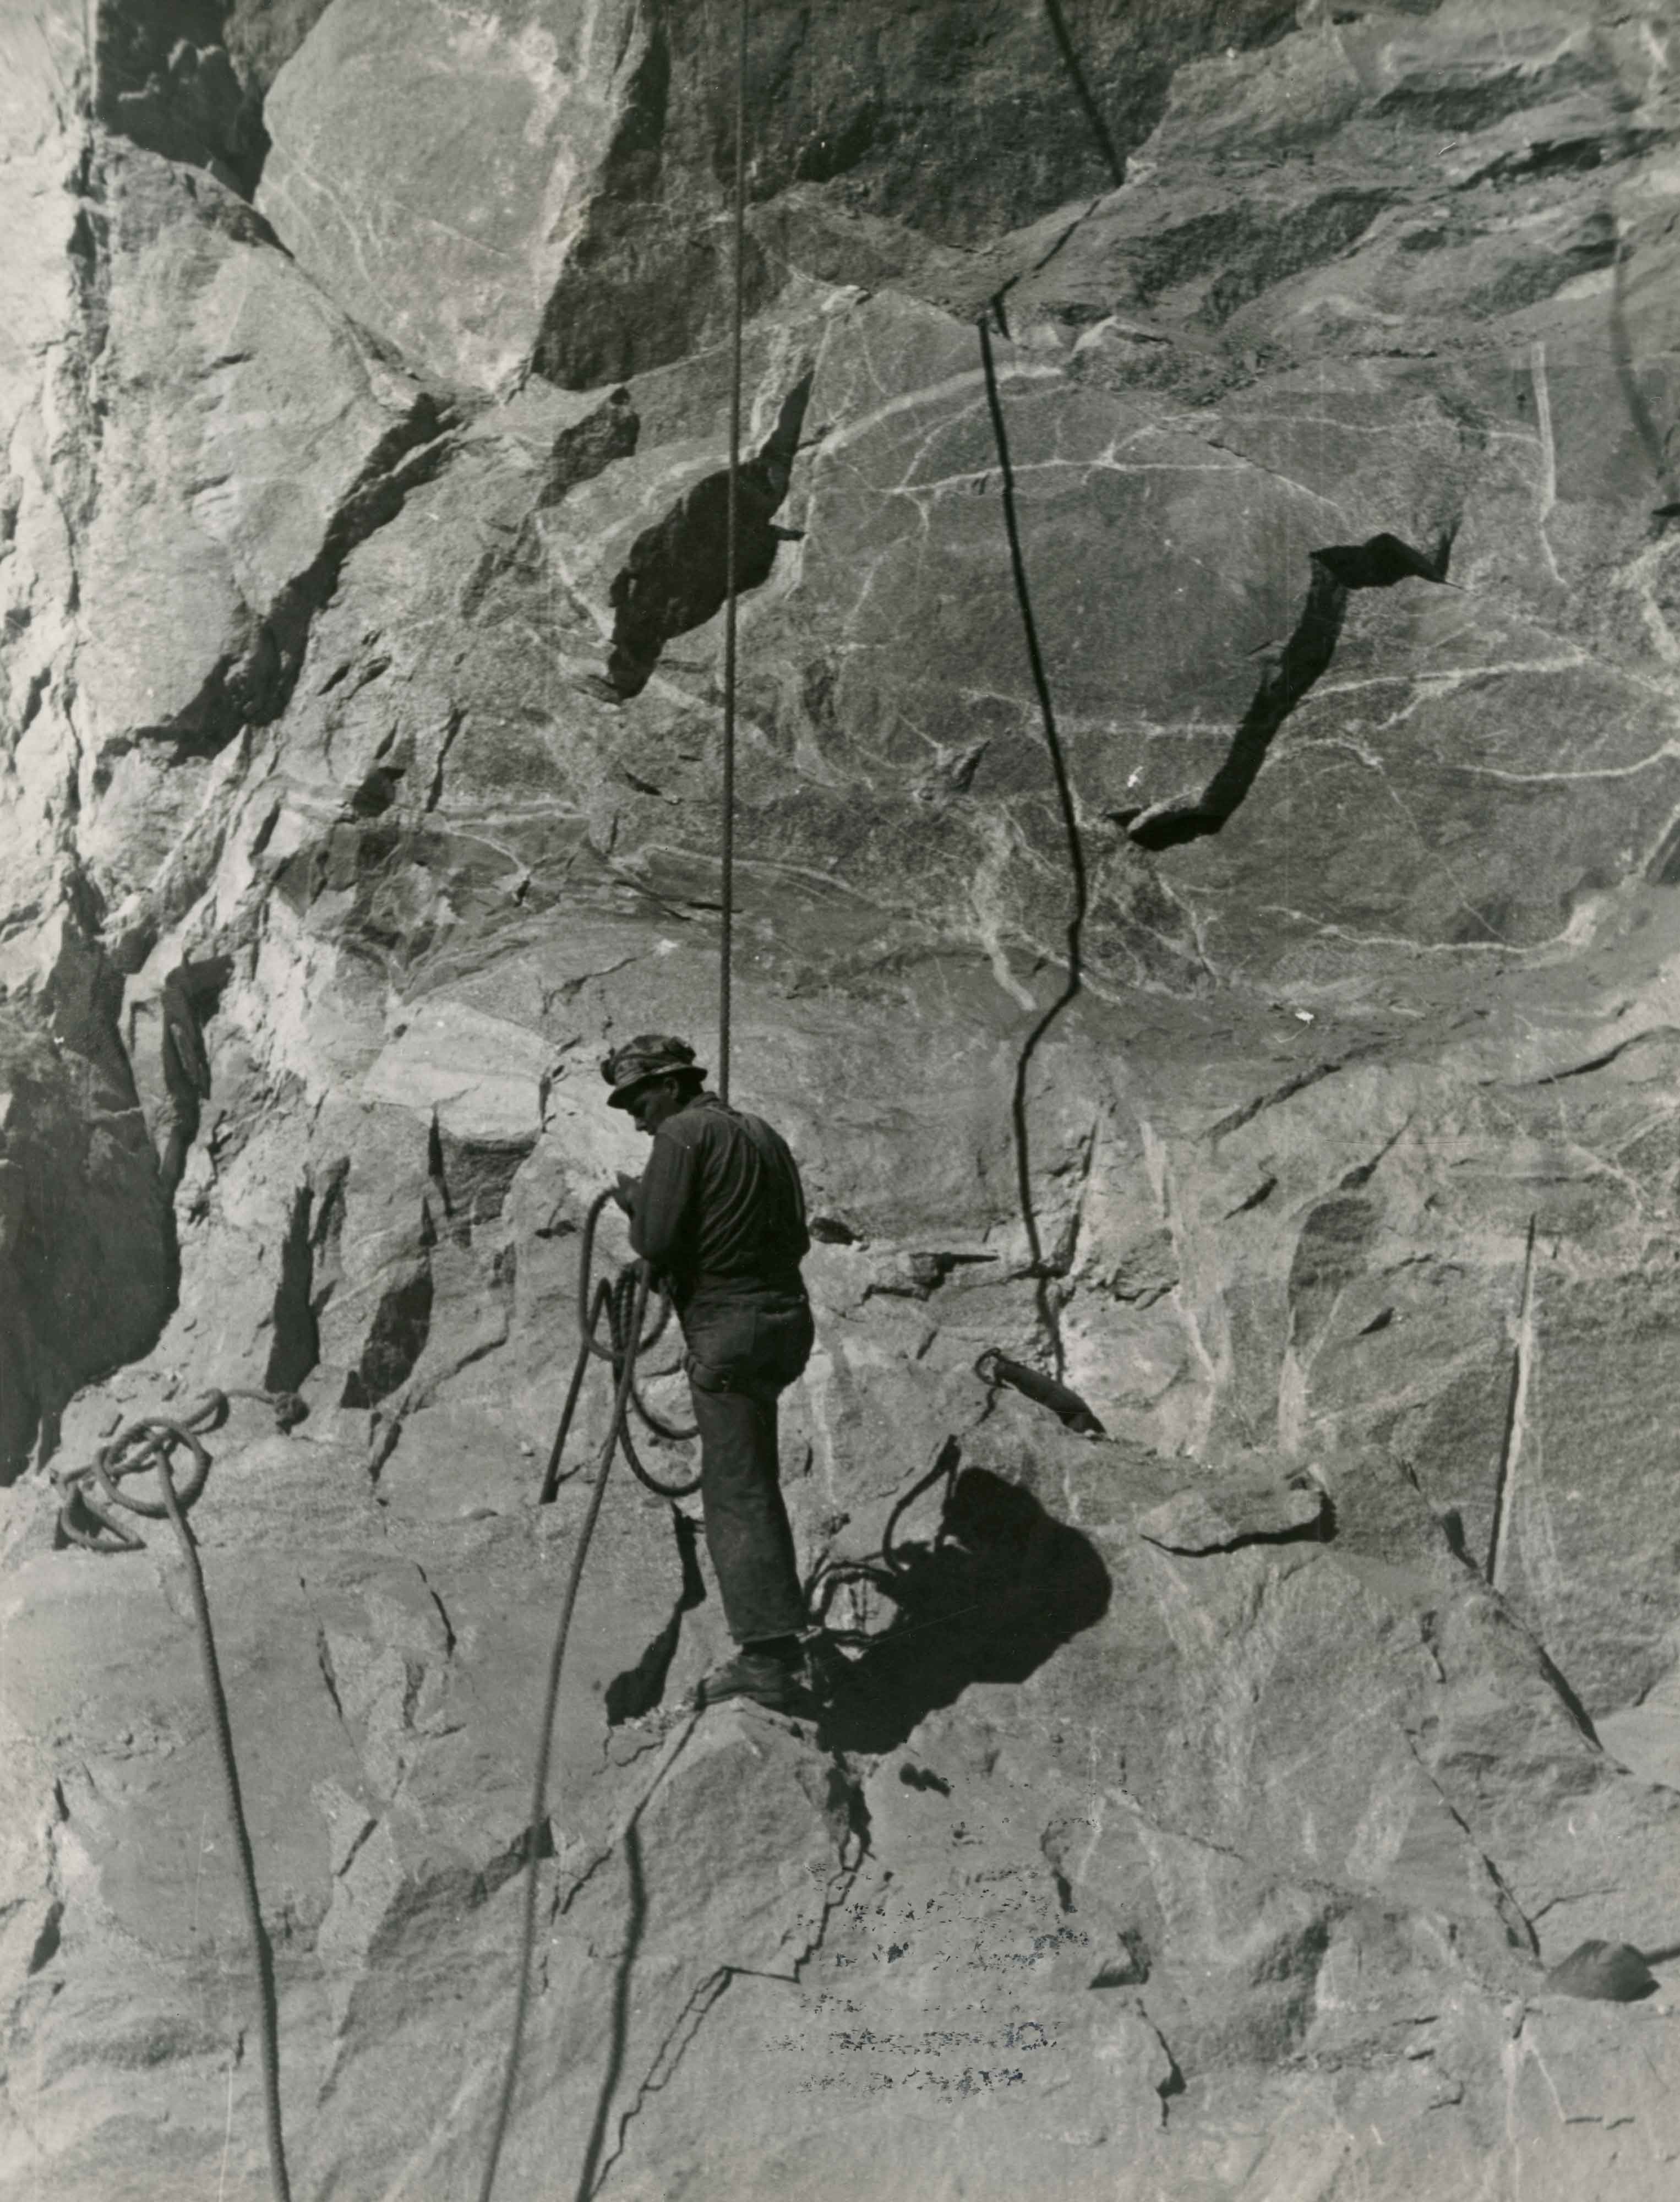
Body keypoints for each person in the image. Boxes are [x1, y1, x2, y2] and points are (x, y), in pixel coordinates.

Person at [600, 1034, 816, 1712]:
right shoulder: (761, 1132)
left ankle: (768, 1657)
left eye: (640, 1101)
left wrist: (639, 1202)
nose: (638, 1119)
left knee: (736, 1492)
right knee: (752, 1477)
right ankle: (777, 1639)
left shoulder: (684, 1135)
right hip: (783, 1321)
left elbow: (657, 1241)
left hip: (727, 1328)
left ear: (669, 1085)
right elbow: (793, 1235)